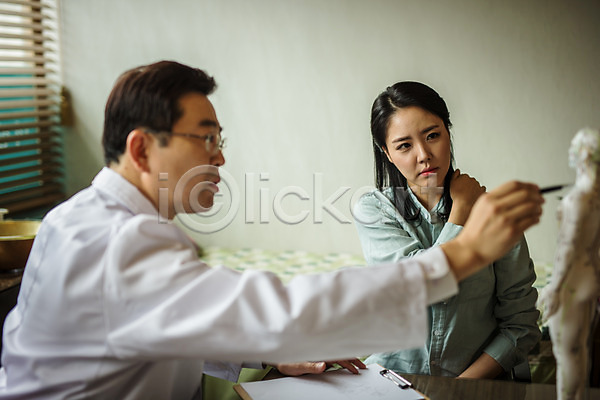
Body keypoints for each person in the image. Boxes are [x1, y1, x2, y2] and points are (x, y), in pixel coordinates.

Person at [0, 61, 543, 399]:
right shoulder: (121, 242)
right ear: (142, 148)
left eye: (220, 140)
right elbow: (284, 309)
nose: (220, 157)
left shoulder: (74, 218)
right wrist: (463, 252)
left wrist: (266, 357)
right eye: (205, 139)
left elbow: (154, 325)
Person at [354, 81, 541, 379]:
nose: (423, 155)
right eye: (404, 145)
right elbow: (416, 287)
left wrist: (460, 388)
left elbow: (521, 325)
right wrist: (461, 213)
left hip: (477, 384)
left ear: (448, 133)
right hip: (394, 378)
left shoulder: (496, 215)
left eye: (432, 135)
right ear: (387, 153)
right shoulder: (374, 210)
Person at [538, 127, 600, 400]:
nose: (569, 154)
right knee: (582, 350)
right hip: (590, 279)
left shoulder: (577, 199)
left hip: (571, 283)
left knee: (565, 354)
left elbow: (567, 248)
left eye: (573, 149)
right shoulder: (596, 196)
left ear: (584, 155)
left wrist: (553, 287)